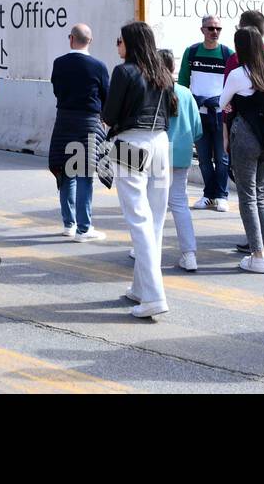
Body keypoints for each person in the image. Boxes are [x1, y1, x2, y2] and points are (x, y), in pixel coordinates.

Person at [101, 21, 174, 319]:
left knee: (138, 219)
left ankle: (154, 296)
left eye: (120, 40)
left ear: (130, 43)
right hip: (160, 142)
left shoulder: (124, 71)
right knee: (154, 219)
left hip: (131, 142)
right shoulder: (161, 72)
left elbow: (109, 114)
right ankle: (142, 288)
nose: (117, 45)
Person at [219, 26, 264, 274]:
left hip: (246, 137)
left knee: (247, 196)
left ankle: (256, 254)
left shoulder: (237, 74)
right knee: (259, 194)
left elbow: (221, 103)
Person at [49, 23, 111, 241]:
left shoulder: (59, 64)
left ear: (71, 38)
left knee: (66, 173)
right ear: (90, 41)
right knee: (85, 175)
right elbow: (106, 96)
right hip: (89, 123)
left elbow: (57, 90)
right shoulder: (99, 66)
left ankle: (69, 224)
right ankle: (84, 228)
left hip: (64, 122)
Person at [179, 16, 234, 212]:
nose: (214, 32)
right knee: (203, 158)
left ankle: (221, 195)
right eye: (210, 28)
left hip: (220, 115)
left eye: (218, 28)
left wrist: (222, 102)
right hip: (198, 114)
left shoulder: (228, 53)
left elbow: (233, 84)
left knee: (222, 157)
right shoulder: (192, 52)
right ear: (202, 30)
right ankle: (209, 195)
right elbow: (183, 83)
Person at [160, 49, 203, 271]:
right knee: (179, 203)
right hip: (182, 153)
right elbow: (197, 129)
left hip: (158, 154)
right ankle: (189, 254)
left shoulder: (155, 91)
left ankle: (146, 249)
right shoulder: (186, 93)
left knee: (153, 205)